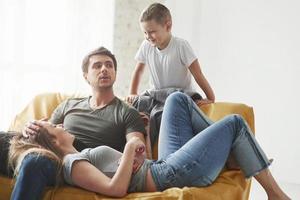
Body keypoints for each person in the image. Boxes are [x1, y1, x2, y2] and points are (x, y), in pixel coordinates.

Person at [9, 92, 290, 200]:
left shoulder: (77, 156)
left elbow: (129, 170)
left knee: (177, 100)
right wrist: (131, 150)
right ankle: (275, 194)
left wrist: (142, 134)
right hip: (167, 175)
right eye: (54, 127)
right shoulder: (72, 163)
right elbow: (116, 190)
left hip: (158, 167)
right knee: (234, 124)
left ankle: (230, 152)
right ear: (53, 140)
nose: (60, 125)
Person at [9, 46, 150, 200]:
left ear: (115, 73)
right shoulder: (68, 105)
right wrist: (28, 129)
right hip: (55, 155)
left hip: (80, 169)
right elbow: (46, 136)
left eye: (109, 65)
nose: (104, 69)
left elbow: (140, 157)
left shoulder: (128, 112)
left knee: (34, 162)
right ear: (86, 76)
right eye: (97, 66)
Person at [126, 3, 215, 106]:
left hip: (179, 96)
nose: (148, 36)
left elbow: (197, 73)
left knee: (172, 102)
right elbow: (139, 71)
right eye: (145, 32)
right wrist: (132, 92)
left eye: (152, 32)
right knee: (139, 103)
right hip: (157, 96)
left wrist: (210, 97)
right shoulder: (146, 45)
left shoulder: (181, 46)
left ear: (168, 26)